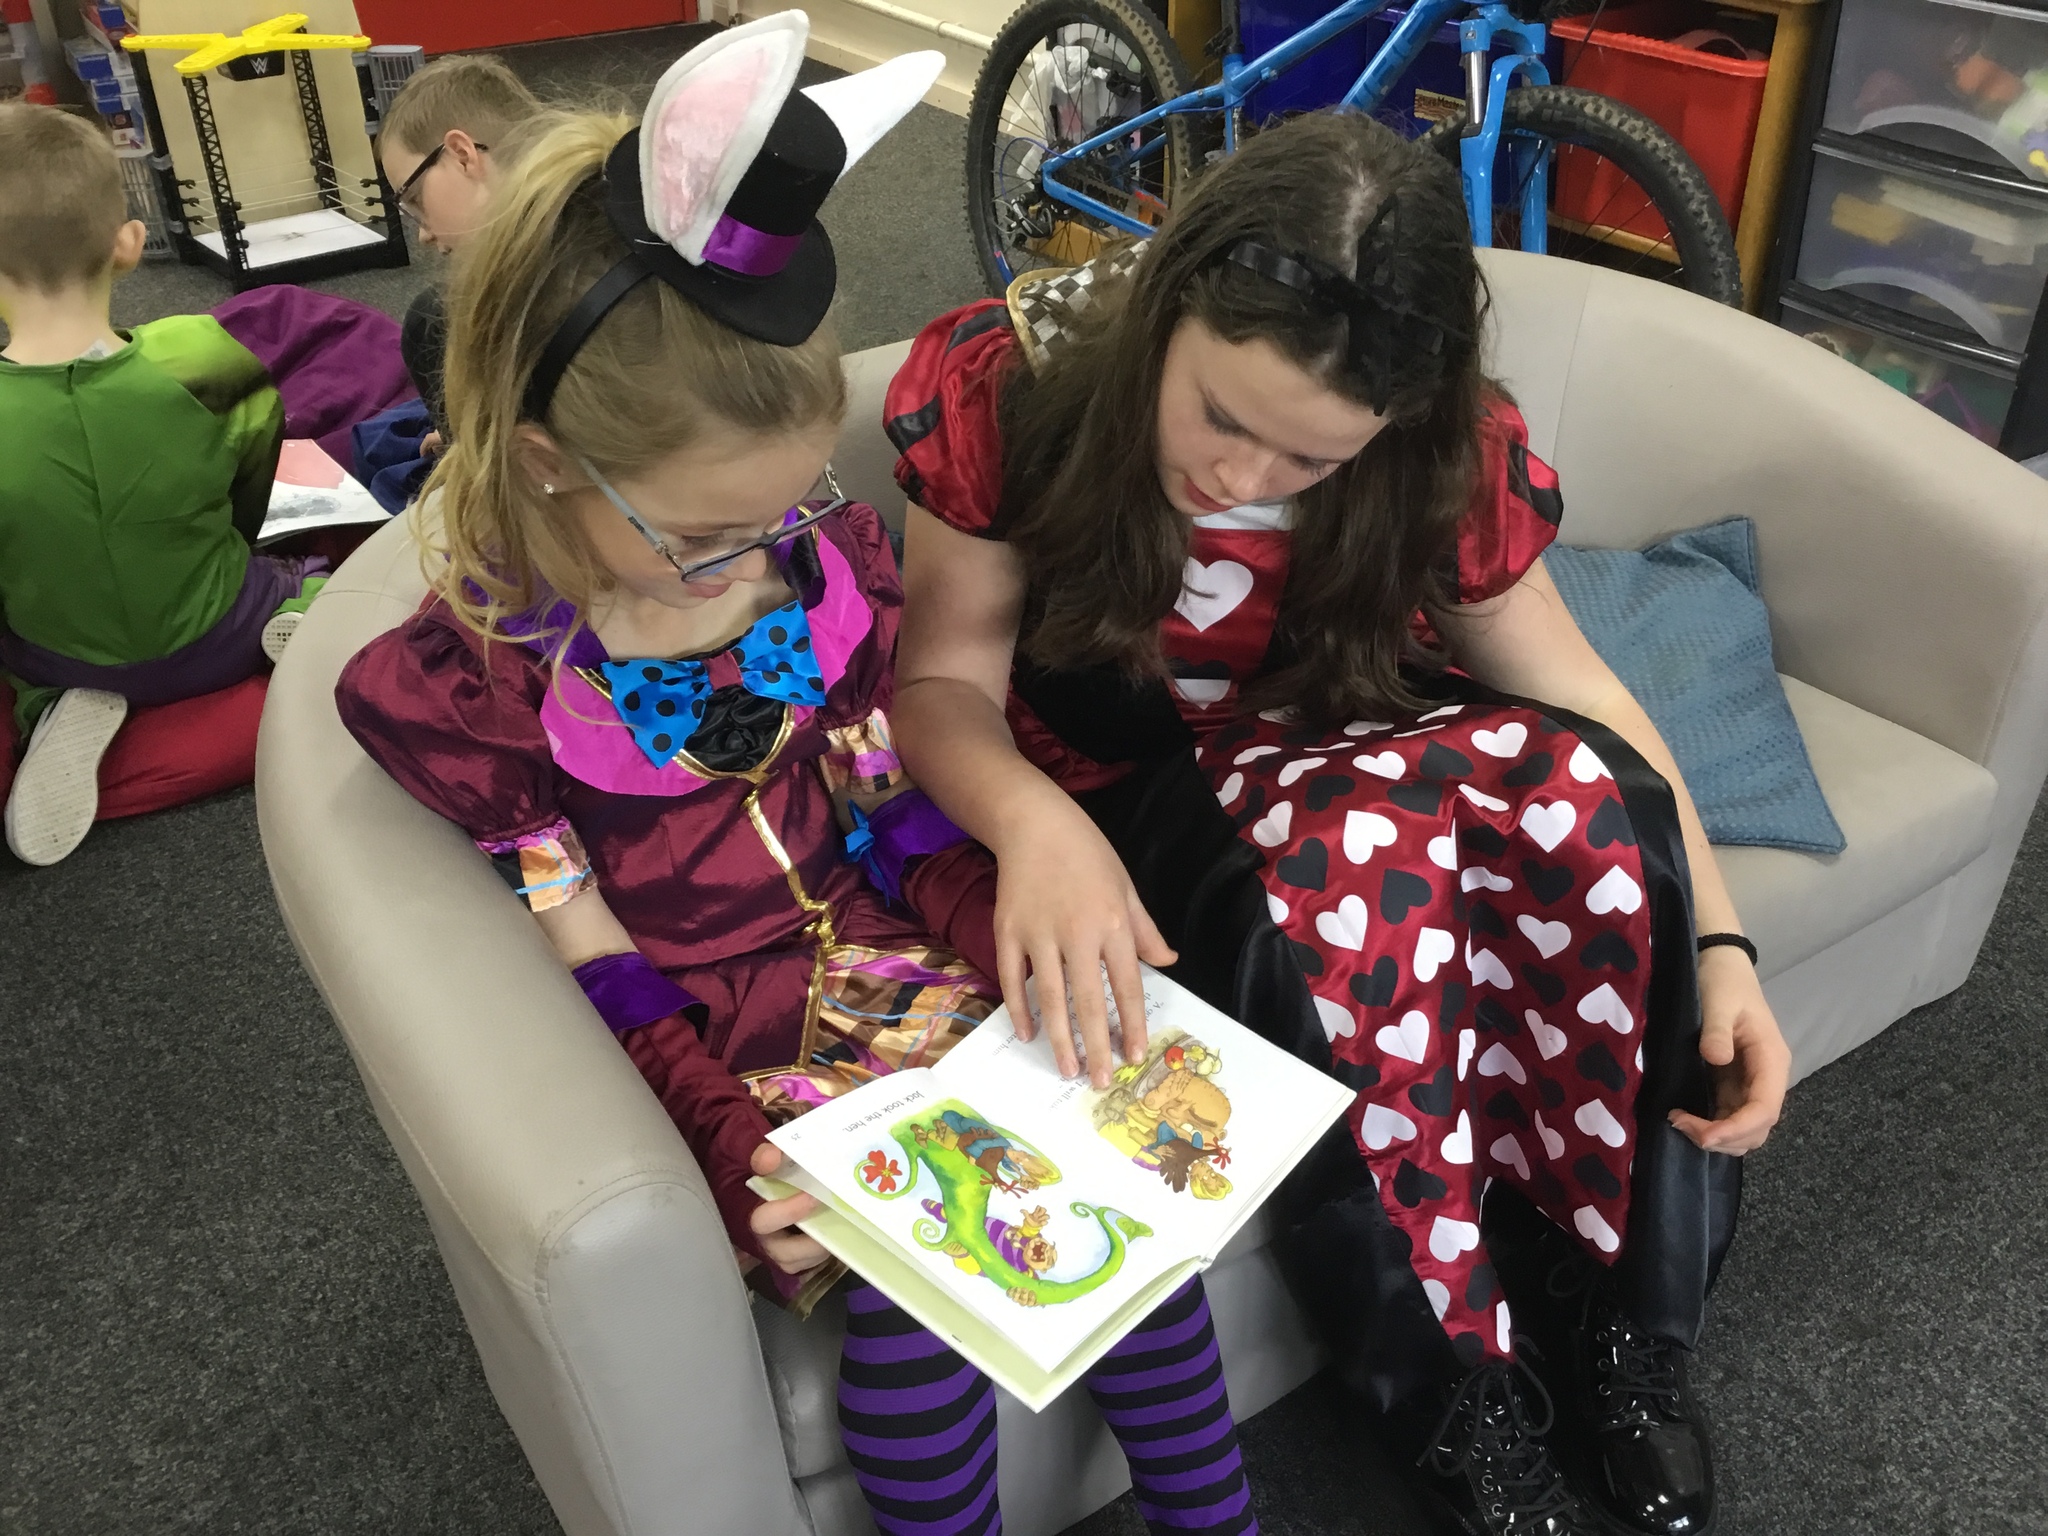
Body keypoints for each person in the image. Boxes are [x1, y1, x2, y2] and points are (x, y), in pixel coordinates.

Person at [334, 23, 1261, 1535]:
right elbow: (593, 950)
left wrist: (1001, 948)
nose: (755, 565)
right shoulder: (485, 690)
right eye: (705, 538)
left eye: (784, 516)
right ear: (549, 458)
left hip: (893, 964)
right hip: (738, 1045)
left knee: (1116, 1189)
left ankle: (1214, 1518)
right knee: (915, 1289)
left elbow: (887, 810)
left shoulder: (816, 569)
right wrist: (720, 1142)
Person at [886, 109, 1792, 1536]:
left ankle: (1612, 1307)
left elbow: (1573, 689)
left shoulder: (1436, 451)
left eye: (1308, 463)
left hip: (1338, 734)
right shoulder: (1014, 387)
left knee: (1584, 792)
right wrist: (1034, 826)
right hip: (1135, 785)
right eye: (1221, 418)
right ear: (1168, 300)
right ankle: (1453, 1385)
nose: (1242, 481)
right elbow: (940, 683)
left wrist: (1723, 943)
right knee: (1334, 887)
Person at [0, 103, 320, 867]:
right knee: (303, 572)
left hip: (63, 655)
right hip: (221, 631)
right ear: (130, 243)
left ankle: (50, 708)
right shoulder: (202, 356)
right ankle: (301, 616)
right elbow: (252, 480)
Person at [376, 54, 546, 444]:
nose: (424, 234)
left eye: (414, 199)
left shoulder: (443, 323)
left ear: (462, 155)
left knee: (432, 320)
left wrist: (469, 444)